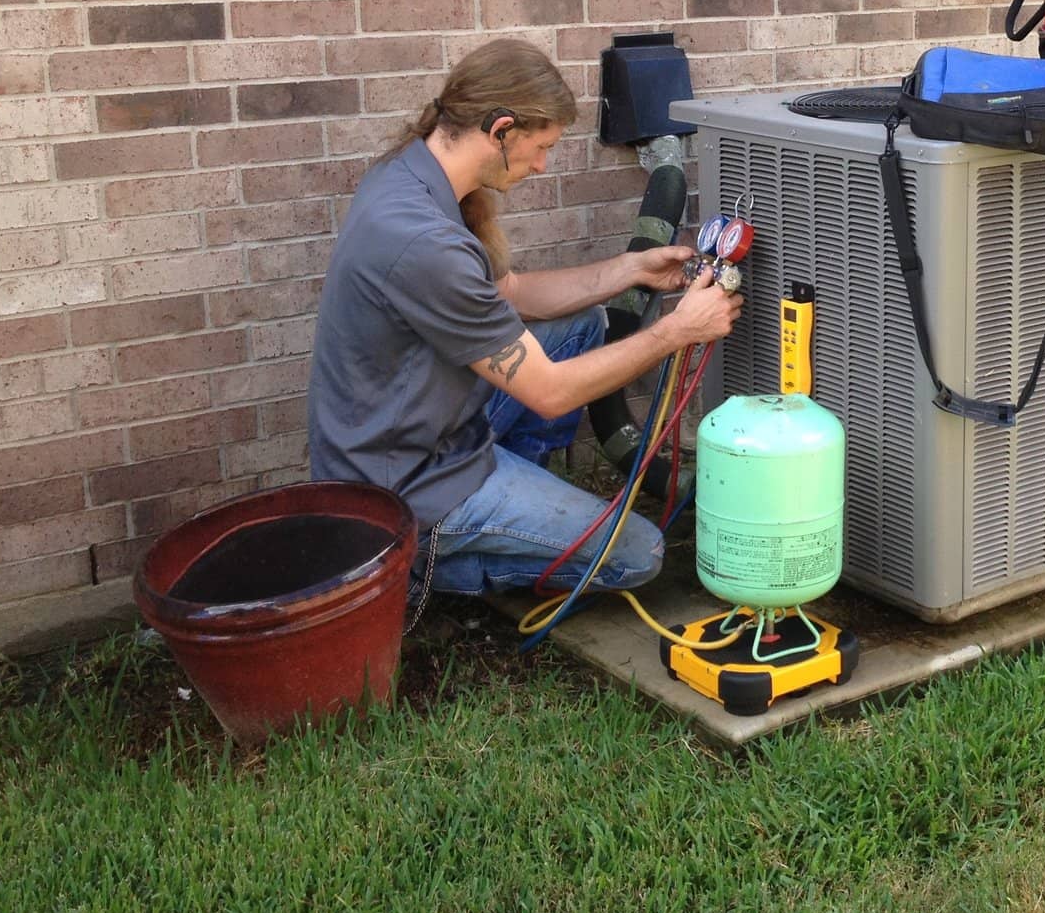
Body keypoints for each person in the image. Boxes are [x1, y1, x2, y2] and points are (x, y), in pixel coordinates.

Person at [307, 38, 741, 602]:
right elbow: (553, 393)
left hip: (415, 429)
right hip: (403, 487)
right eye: (540, 148)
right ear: (501, 129)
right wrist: (677, 330)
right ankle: (412, 571)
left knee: (584, 329)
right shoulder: (423, 242)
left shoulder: (410, 175)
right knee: (639, 553)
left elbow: (509, 294)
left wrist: (631, 268)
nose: (541, 165)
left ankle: (518, 493)